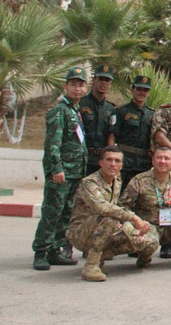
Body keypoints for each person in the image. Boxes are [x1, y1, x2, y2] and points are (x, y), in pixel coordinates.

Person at [65, 146, 159, 281]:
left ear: (121, 165)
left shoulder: (117, 181)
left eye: (117, 161)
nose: (113, 164)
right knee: (109, 218)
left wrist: (134, 229)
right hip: (81, 233)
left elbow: (116, 209)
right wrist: (133, 217)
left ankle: (102, 258)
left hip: (105, 229)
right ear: (100, 163)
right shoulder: (89, 182)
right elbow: (102, 208)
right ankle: (91, 266)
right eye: (109, 160)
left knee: (147, 238)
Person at [32, 67, 90, 270]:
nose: (77, 88)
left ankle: (55, 250)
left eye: (81, 84)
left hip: (75, 172)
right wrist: (56, 169)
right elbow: (52, 144)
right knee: (52, 212)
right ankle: (40, 252)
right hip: (62, 172)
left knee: (66, 213)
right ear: (66, 86)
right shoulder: (59, 111)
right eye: (73, 84)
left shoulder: (75, 110)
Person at [118, 146, 171, 270]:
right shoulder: (139, 181)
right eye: (159, 158)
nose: (162, 161)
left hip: (170, 226)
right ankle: (144, 256)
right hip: (148, 227)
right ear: (153, 161)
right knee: (149, 242)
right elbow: (123, 206)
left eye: (166, 158)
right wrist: (135, 223)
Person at [108, 75, 155, 189]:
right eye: (139, 89)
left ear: (148, 93)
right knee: (120, 192)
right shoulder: (120, 111)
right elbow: (111, 136)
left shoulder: (152, 114)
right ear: (132, 90)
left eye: (145, 90)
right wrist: (113, 159)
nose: (141, 93)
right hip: (125, 161)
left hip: (144, 163)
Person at [79, 64, 116, 176]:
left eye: (107, 80)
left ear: (110, 84)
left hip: (101, 159)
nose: (103, 83)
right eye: (101, 79)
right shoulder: (80, 104)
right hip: (81, 158)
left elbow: (111, 135)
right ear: (94, 80)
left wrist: (109, 158)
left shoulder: (111, 109)